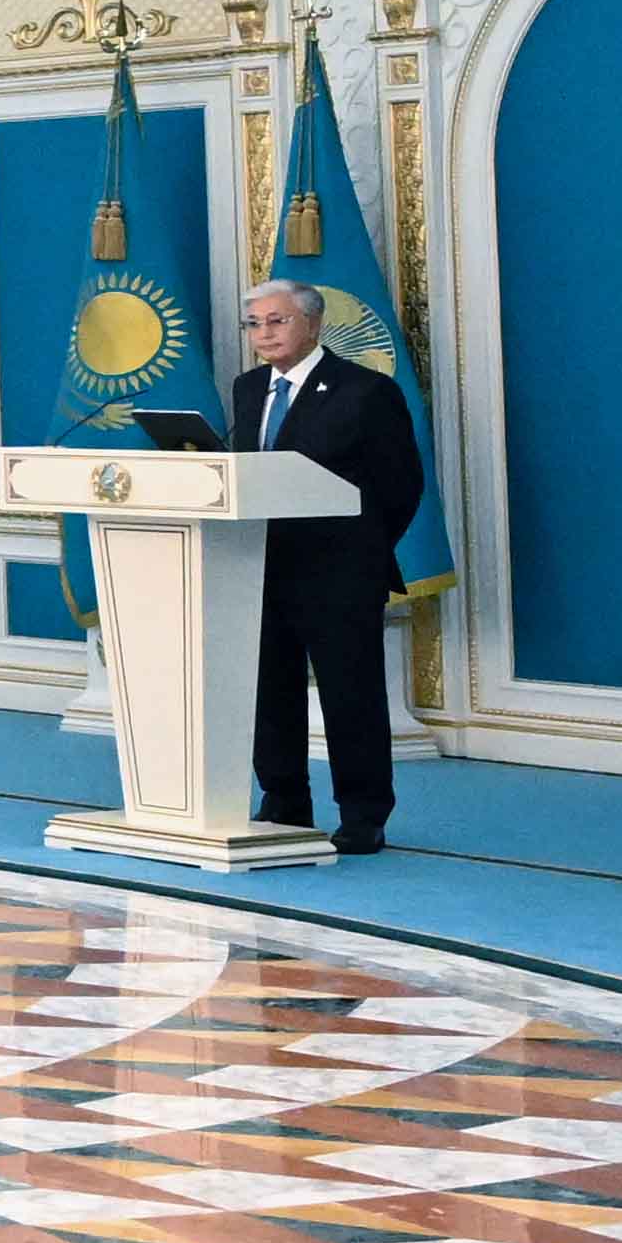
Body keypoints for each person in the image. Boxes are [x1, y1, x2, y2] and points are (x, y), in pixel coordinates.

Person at [227, 279, 423, 855]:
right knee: (270, 692)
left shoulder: (366, 391)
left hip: (340, 573)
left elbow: (401, 485)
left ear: (312, 325)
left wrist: (360, 552)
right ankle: (284, 801)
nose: (264, 334)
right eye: (255, 324)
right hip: (258, 566)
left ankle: (363, 814)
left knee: (350, 697)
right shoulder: (247, 389)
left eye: (277, 321)